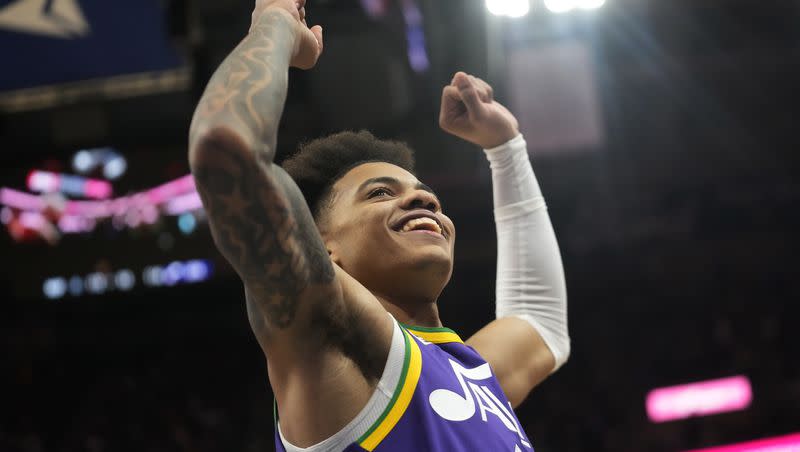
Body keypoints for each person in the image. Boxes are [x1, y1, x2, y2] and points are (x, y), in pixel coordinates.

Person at [187, 1, 569, 450]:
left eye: (426, 193)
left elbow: (541, 323)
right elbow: (225, 152)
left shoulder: (467, 373)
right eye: (380, 193)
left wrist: (506, 148)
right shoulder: (334, 345)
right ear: (324, 248)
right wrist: (275, 23)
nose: (422, 197)